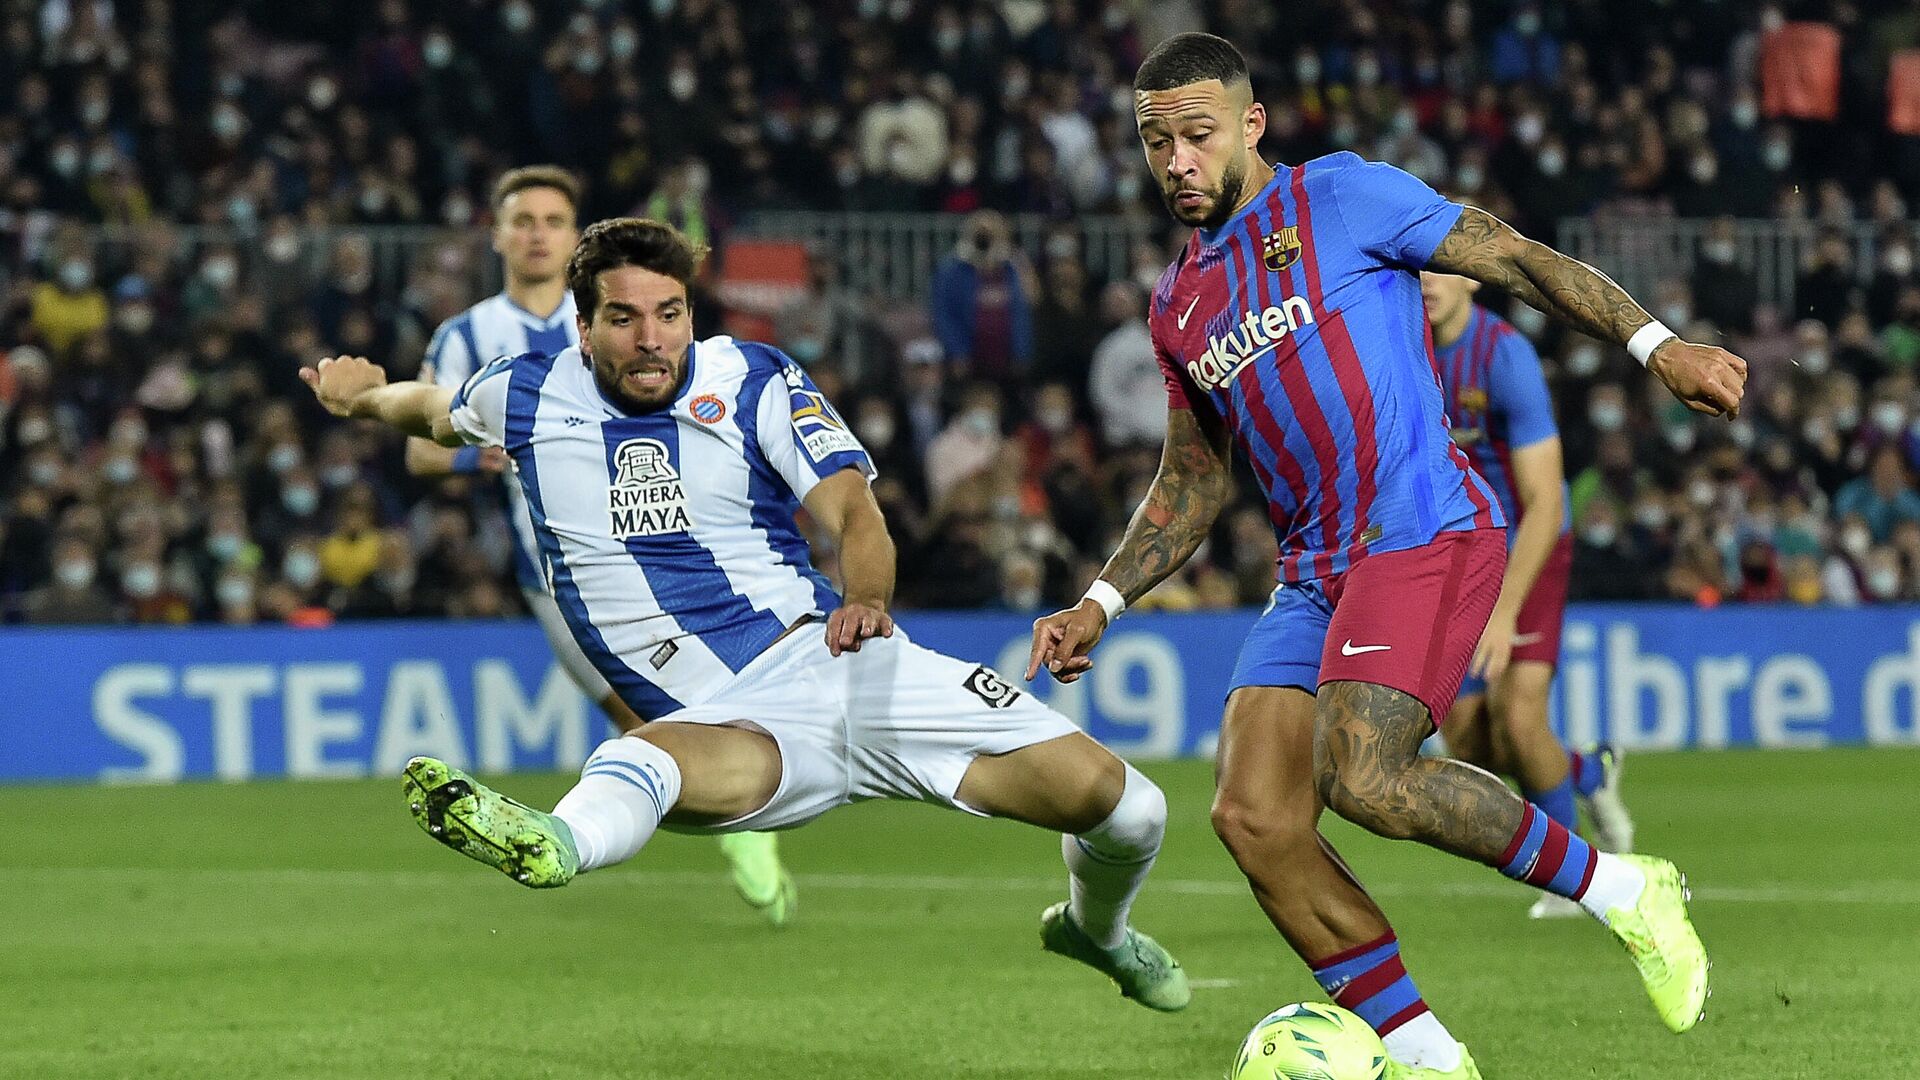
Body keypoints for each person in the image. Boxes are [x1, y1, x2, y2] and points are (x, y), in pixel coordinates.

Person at [1029, 34, 1740, 1080]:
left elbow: (1517, 256)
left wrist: (1658, 347)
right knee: (1254, 815)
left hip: (1423, 527)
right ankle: (1430, 1059)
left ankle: (1629, 892)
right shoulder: (1180, 303)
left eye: (1197, 134)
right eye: (1154, 141)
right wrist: (1100, 600)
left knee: (1364, 775)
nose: (1176, 159)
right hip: (1315, 570)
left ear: (1250, 126)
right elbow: (1193, 478)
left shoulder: (1345, 198)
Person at [303, 217, 1189, 1013]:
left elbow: (851, 507)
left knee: (1132, 811)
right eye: (624, 318)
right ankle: (553, 845)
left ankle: (1094, 932)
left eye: (671, 313)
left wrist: (867, 598)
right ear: (582, 329)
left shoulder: (752, 378)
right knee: (640, 757)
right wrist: (360, 398)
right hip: (731, 725)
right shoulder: (525, 394)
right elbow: (429, 408)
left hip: (847, 664)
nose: (653, 340)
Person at [402, 167, 796, 925]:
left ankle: (744, 814)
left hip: (676, 552)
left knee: (715, 704)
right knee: (637, 713)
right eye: (523, 220)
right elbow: (421, 449)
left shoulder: (622, 313)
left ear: (572, 234)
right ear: (499, 235)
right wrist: (471, 454)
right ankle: (740, 827)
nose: (537, 234)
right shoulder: (468, 336)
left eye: (553, 220)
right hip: (564, 575)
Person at [1420, 270, 1635, 921]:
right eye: (1416, 269)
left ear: (1471, 282)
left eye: (1437, 268)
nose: (1424, 280)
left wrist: (1506, 609)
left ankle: (1568, 880)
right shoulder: (1405, 346)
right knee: (1468, 739)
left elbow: (1544, 501)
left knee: (1519, 716)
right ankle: (1587, 773)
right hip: (1460, 554)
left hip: (1531, 545)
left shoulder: (1503, 355)